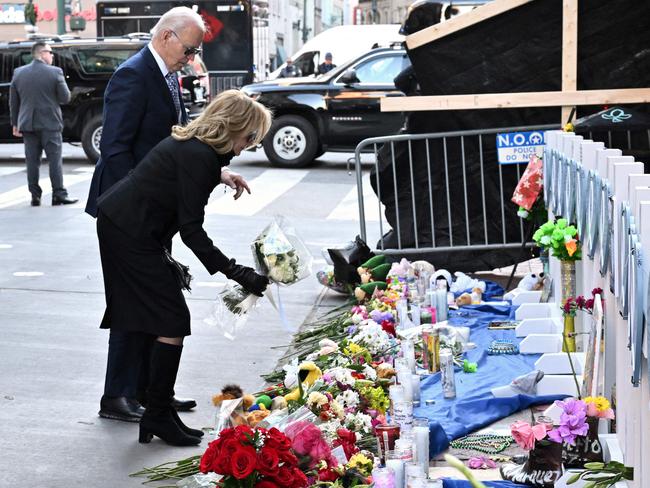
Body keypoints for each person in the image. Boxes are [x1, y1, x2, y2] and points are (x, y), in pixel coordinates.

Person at [95, 89, 271, 446]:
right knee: (171, 318)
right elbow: (191, 230)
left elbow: (185, 172)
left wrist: (221, 175)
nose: (249, 146)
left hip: (129, 225)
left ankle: (155, 407)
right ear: (233, 127)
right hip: (130, 230)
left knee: (156, 316)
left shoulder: (200, 151)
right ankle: (157, 412)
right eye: (250, 137)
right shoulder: (199, 156)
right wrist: (238, 272)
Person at [86, 6, 233, 423]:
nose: (191, 59)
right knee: (133, 302)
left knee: (150, 302)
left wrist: (216, 171)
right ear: (167, 36)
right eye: (189, 50)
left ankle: (152, 392)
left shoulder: (168, 75)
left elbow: (176, 144)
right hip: (129, 214)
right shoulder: (133, 75)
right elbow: (114, 150)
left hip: (150, 211)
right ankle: (118, 395)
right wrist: (130, 208)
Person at [9, 42, 78, 207]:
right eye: (51, 53)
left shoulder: (19, 73)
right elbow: (65, 98)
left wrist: (15, 123)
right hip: (50, 124)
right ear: (42, 53)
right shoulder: (55, 72)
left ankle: (35, 196)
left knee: (32, 162)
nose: (53, 56)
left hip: (27, 124)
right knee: (55, 160)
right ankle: (59, 194)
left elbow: (14, 102)